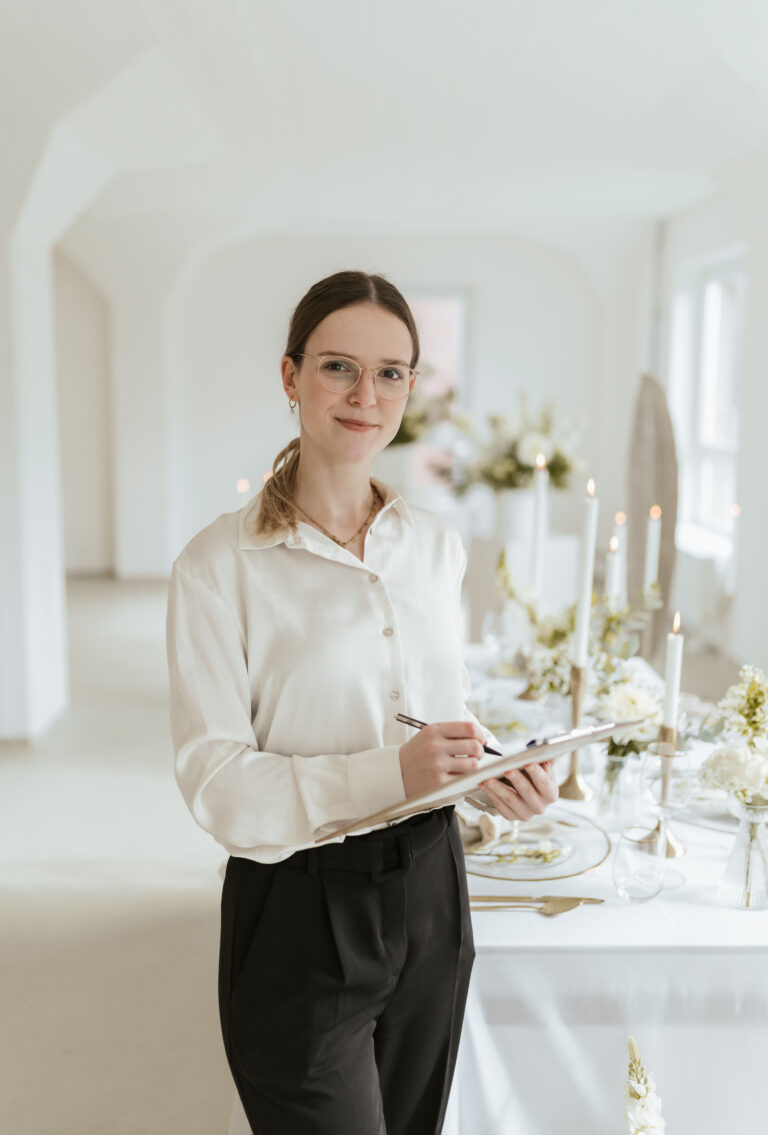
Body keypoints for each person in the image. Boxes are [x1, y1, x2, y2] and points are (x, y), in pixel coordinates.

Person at [165, 270, 558, 1135]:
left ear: (412, 387)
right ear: (290, 375)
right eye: (339, 366)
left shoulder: (436, 547)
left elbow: (427, 718)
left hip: (431, 892)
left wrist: (491, 772)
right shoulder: (217, 566)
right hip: (298, 909)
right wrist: (392, 773)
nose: (365, 395)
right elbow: (218, 784)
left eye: (390, 373)